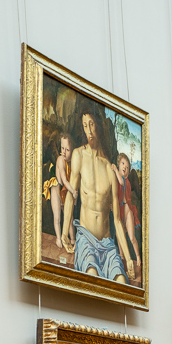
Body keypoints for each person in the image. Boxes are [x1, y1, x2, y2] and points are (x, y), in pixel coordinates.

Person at [61, 109, 135, 283]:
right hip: (86, 240)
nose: (89, 130)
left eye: (91, 124)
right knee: (92, 277)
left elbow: (117, 220)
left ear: (99, 126)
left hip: (107, 244)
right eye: (85, 126)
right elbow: (71, 196)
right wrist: (64, 233)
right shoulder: (79, 155)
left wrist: (128, 258)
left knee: (121, 282)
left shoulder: (109, 168)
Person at [43, 134, 78, 249]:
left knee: (69, 217)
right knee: (57, 217)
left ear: (72, 150)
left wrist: (74, 194)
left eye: (67, 149)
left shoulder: (73, 162)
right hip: (57, 189)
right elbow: (63, 180)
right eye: (62, 148)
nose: (64, 152)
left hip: (66, 191)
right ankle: (58, 238)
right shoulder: (60, 160)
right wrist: (73, 192)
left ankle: (73, 239)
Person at [111, 153, 141, 266]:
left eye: (127, 167)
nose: (125, 167)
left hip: (127, 209)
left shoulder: (125, 180)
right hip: (119, 209)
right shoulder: (114, 178)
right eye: (123, 164)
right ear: (119, 164)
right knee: (120, 236)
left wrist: (115, 170)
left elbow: (121, 182)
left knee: (131, 237)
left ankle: (138, 256)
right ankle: (122, 256)